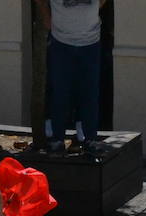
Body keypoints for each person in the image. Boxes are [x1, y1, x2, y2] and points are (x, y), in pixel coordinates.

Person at [35, 0, 107, 153]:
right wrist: (46, 17)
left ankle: (90, 139)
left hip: (91, 41)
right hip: (61, 41)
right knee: (60, 92)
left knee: (90, 93)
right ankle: (57, 139)